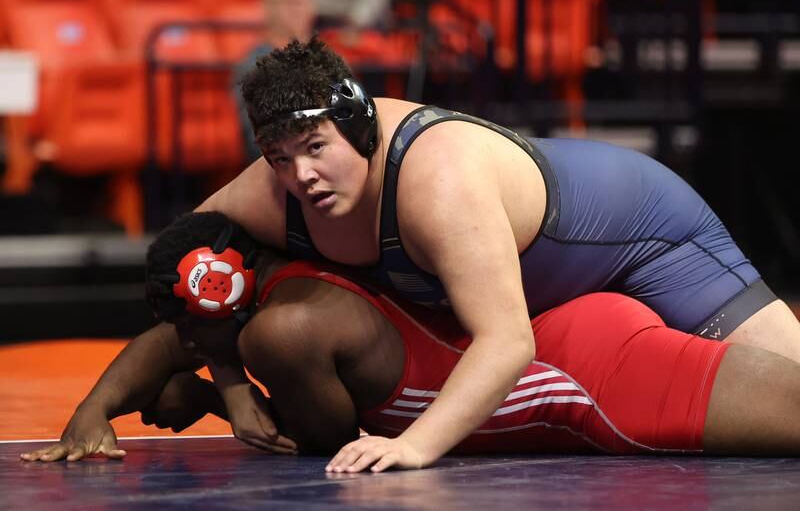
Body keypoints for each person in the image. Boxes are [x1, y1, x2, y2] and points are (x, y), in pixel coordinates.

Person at [197, 38, 800, 468]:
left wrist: (417, 445)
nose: (300, 174)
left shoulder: (437, 179)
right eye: (280, 158)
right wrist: (228, 382)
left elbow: (510, 341)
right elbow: (181, 261)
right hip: (565, 287)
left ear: (358, 127)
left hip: (651, 234)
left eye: (314, 147)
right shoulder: (276, 184)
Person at [20, 212, 800, 470]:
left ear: (218, 293)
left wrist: (218, 397)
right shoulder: (287, 277)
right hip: (573, 335)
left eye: (192, 330)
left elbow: (323, 444)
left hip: (587, 381)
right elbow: (173, 336)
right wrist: (93, 408)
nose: (182, 342)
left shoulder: (284, 330)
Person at [232, 0, 317, 161]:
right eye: (289, 1)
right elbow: (259, 141)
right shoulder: (254, 66)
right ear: (268, 7)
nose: (298, 10)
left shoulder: (329, 59)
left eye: (304, 2)